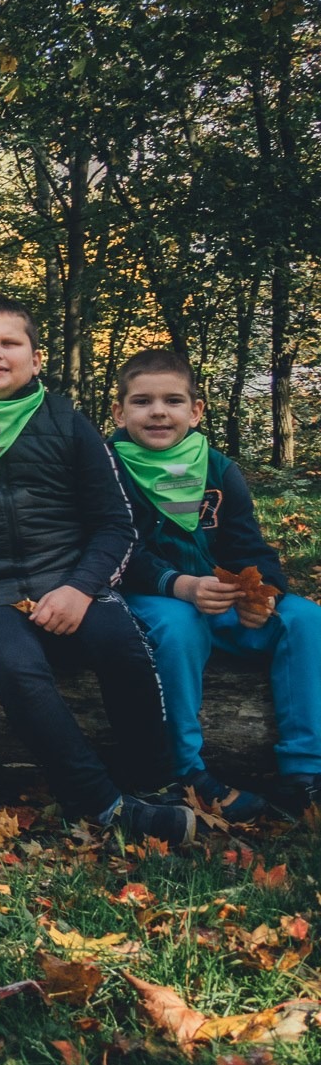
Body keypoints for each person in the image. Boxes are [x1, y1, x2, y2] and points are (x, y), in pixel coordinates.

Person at [0, 295, 196, 843]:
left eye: (11, 343)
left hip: (68, 581)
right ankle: (99, 804)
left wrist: (79, 589)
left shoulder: (68, 423)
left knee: (124, 643)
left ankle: (152, 784)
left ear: (35, 358)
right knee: (19, 668)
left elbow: (115, 525)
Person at [110, 349, 321, 819]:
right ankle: (185, 770)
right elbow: (115, 549)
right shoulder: (106, 467)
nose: (159, 412)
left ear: (196, 410)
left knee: (304, 618)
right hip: (151, 597)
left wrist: (263, 596)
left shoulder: (219, 469)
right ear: (119, 412)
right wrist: (178, 584)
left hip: (218, 598)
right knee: (179, 625)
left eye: (173, 400)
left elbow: (249, 548)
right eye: (142, 402)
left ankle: (305, 773)